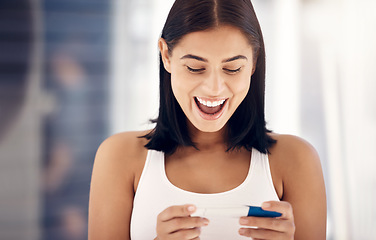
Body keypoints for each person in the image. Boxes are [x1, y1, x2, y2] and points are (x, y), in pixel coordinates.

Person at [88, 0, 327, 239]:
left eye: (232, 69)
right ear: (166, 55)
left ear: (253, 62)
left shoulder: (297, 161)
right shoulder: (119, 157)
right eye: (194, 67)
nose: (214, 88)